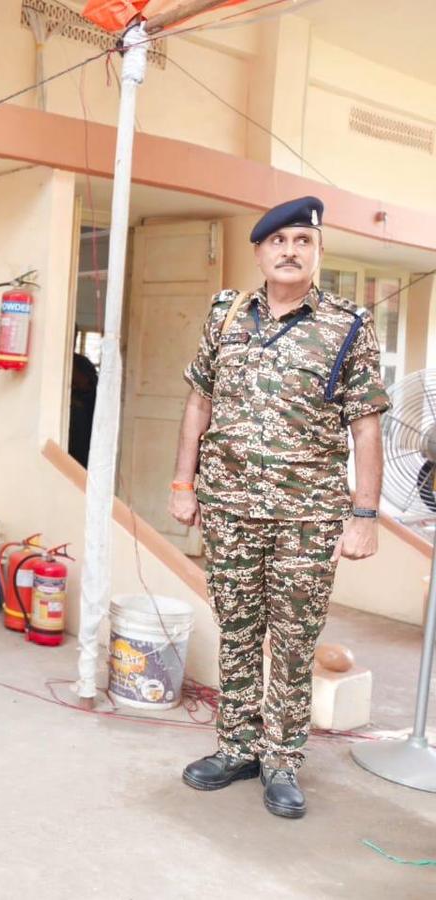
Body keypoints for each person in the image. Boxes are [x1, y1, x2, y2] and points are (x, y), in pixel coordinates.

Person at [169, 196, 388, 819]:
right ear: (260, 251)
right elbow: (198, 402)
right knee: (238, 631)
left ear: (318, 252)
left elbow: (366, 426)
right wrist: (183, 483)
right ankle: (236, 747)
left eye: (303, 240)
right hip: (229, 507)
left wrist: (364, 516)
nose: (290, 251)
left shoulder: (348, 325)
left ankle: (283, 760)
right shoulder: (226, 314)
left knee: (293, 640)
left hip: (306, 515)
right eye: (278, 241)